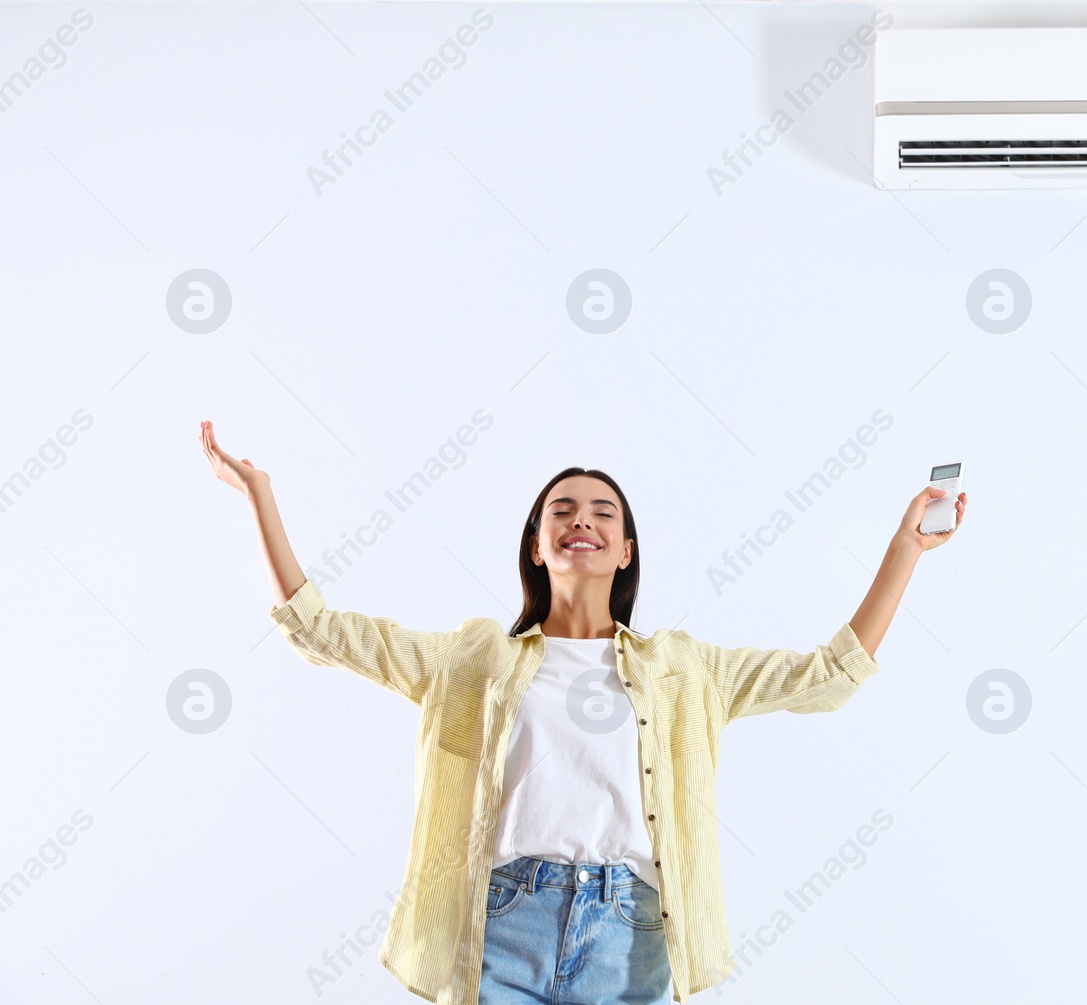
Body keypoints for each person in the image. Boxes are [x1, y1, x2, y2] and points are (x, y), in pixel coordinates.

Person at [199, 419, 966, 1005]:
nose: (582, 519)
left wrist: (905, 549)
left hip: (629, 932)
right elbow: (320, 631)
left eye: (602, 511)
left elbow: (831, 675)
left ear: (626, 549)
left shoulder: (683, 669)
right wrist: (261, 497)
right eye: (561, 509)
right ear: (538, 544)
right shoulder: (475, 659)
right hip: (499, 923)